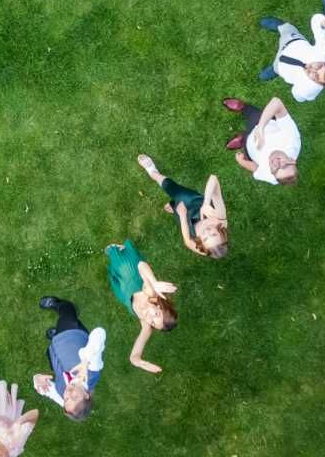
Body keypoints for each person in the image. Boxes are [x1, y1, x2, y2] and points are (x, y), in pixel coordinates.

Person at [135, 155, 228, 259]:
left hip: (186, 219)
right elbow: (213, 179)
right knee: (175, 190)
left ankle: (173, 205)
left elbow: (188, 242)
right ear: (221, 233)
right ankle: (153, 172)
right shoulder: (220, 219)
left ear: (202, 243)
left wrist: (183, 217)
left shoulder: (204, 250)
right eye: (213, 234)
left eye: (205, 239)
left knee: (177, 207)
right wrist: (206, 203)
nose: (207, 232)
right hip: (195, 202)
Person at [105, 240, 176, 373]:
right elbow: (141, 265)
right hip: (129, 270)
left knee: (114, 272)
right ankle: (121, 251)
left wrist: (137, 361)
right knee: (115, 254)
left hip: (123, 290)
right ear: (159, 307)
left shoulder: (145, 324)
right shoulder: (151, 294)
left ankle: (114, 256)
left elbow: (135, 355)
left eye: (153, 323)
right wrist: (154, 283)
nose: (150, 319)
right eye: (156, 315)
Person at [31, 295, 104, 419]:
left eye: (66, 399)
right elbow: (99, 332)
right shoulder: (92, 371)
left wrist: (37, 379)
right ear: (87, 395)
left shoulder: (63, 398)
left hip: (57, 351)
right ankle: (59, 304)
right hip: (72, 334)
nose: (68, 393)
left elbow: (44, 390)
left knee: (50, 353)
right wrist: (86, 361)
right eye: (75, 397)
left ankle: (55, 335)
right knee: (67, 314)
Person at [255, 11, 325, 98]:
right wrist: (324, 23)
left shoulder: (310, 89)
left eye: (316, 76)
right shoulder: (324, 52)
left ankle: (274, 70)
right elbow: (316, 20)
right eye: (318, 66)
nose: (311, 69)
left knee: (276, 67)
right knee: (287, 29)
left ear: (321, 85)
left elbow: (297, 96)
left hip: (282, 68)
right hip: (290, 40)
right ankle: (280, 26)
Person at [222, 96, 300, 185]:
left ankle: (242, 140)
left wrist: (242, 162)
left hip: (250, 149)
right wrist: (261, 127)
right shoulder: (292, 139)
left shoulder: (271, 177)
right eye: (284, 165)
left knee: (246, 145)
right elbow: (276, 102)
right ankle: (243, 107)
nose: (276, 163)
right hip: (262, 124)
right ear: (292, 160)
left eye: (275, 169)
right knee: (254, 114)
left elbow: (255, 168)